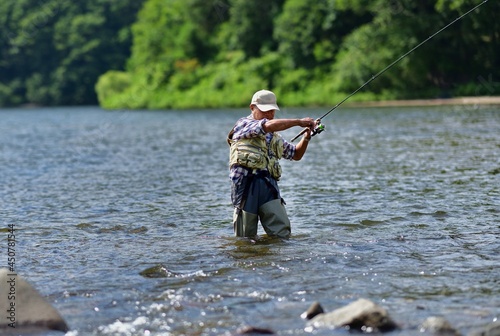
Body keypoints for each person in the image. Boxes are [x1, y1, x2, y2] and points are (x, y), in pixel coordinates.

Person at [227, 89, 318, 239]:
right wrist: (299, 122)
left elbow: (295, 154)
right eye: (265, 110)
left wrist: (307, 137)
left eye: (272, 111)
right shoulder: (243, 125)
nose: (269, 114)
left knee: (282, 235)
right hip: (246, 188)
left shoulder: (274, 137)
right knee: (245, 239)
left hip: (268, 187)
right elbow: (266, 126)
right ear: (252, 108)